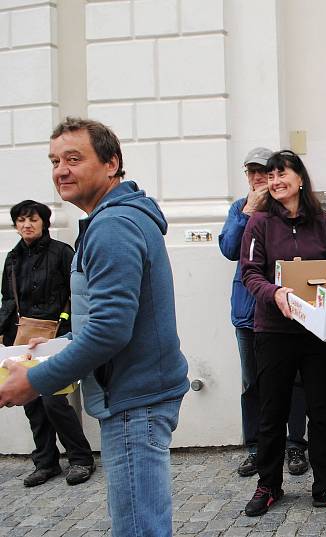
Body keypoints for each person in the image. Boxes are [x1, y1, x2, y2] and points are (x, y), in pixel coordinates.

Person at [0, 117, 189, 537]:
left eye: (73, 158)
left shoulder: (112, 225)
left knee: (138, 529)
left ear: (111, 164)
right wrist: (52, 347)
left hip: (132, 399)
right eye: (54, 161)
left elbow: (109, 330)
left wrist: (36, 381)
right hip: (136, 392)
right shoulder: (112, 219)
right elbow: (109, 319)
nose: (60, 170)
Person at [239, 150, 326, 516]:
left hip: (318, 332)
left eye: (282, 174)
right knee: (272, 411)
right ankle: (268, 485)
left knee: (322, 412)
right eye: (271, 176)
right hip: (274, 330)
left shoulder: (322, 221)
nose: (275, 181)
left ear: (300, 179)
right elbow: (250, 272)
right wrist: (274, 292)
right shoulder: (259, 223)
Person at [218, 146, 309, 478]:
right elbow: (229, 249)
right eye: (253, 172)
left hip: (288, 310)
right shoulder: (239, 208)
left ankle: (295, 444)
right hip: (248, 311)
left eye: (265, 172)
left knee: (295, 382)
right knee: (252, 384)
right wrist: (247, 211)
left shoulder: (291, 208)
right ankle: (256, 449)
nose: (259, 179)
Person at [0, 200, 94, 487]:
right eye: (21, 221)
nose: (27, 225)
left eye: (33, 220)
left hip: (56, 335)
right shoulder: (13, 259)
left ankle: (80, 458)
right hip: (24, 338)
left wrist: (65, 331)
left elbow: (76, 293)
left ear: (44, 223)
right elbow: (8, 298)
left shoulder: (62, 253)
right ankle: (46, 461)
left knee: (54, 400)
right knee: (31, 402)